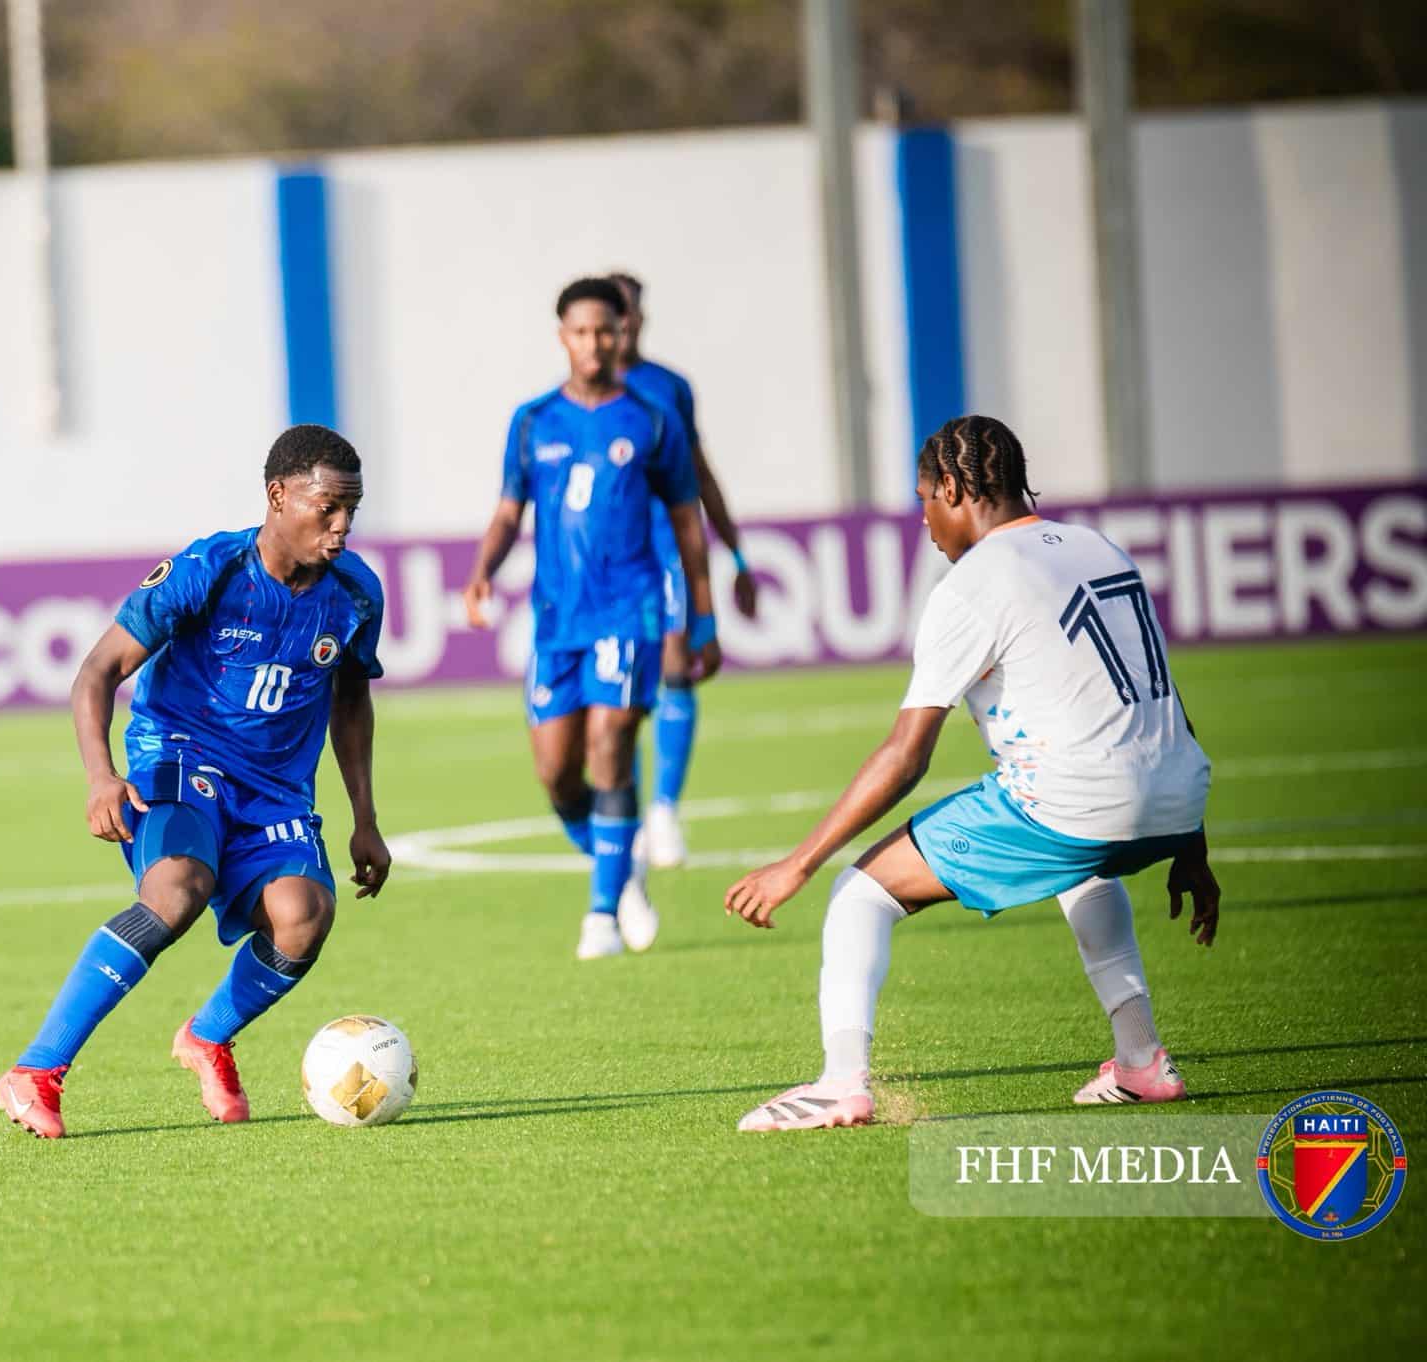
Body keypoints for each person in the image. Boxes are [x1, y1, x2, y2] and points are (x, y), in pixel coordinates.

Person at [724, 415, 1220, 1131]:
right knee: (1083, 864)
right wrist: (1192, 844)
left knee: (860, 892)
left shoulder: (973, 584)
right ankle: (1140, 1061)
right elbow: (1163, 705)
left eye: (924, 498)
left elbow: (904, 757)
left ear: (953, 488)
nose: (924, 520)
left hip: (1076, 801)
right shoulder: (1098, 546)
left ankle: (840, 1085)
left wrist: (795, 865)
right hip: (1177, 796)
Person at [0, 424, 390, 1139]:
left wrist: (364, 814)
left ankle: (207, 1037)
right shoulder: (210, 570)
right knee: (176, 890)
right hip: (181, 757)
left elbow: (351, 699)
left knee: (304, 917)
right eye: (326, 509)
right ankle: (35, 1071)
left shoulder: (356, 596)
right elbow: (98, 671)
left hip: (275, 790)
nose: (340, 529)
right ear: (277, 495)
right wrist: (100, 775)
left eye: (351, 513)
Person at [464, 277, 720, 961]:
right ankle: (623, 867)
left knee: (610, 740)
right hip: (557, 622)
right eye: (581, 331)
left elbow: (687, 523)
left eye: (605, 330)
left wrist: (702, 615)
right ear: (563, 337)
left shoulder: (650, 418)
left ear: (622, 332)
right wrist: (484, 568)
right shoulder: (533, 420)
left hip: (629, 610)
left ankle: (601, 914)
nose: (594, 342)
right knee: (556, 775)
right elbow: (509, 511)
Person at [608, 271, 759, 868]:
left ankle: (664, 810)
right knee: (618, 694)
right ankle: (634, 810)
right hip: (612, 562)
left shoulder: (668, 387)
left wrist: (738, 555)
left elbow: (700, 474)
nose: (624, 326)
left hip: (668, 548)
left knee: (676, 665)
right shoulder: (577, 399)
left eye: (632, 314)